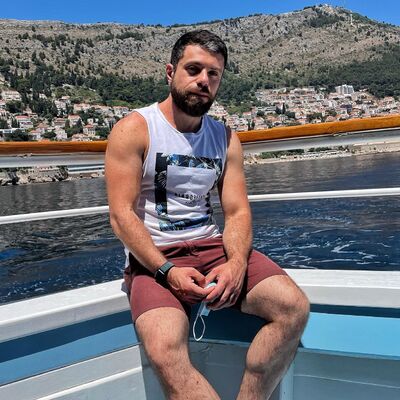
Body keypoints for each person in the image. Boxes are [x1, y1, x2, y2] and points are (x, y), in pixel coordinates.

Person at [105, 29, 309, 400]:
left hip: (212, 247)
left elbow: (237, 210)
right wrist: (166, 271)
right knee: (165, 349)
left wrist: (236, 265)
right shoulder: (135, 129)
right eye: (194, 69)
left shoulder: (225, 138)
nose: (204, 80)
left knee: (293, 308)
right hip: (155, 257)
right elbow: (121, 216)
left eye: (213, 74)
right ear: (171, 72)